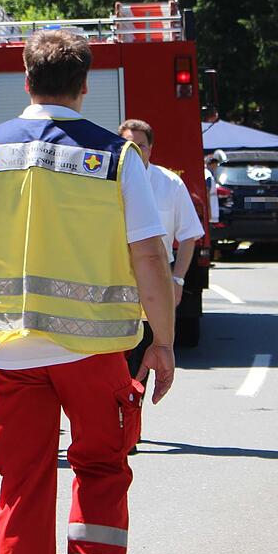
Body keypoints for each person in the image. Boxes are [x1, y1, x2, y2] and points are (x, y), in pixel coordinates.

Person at [0, 30, 175, 554]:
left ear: (26, 80)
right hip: (93, 351)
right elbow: (150, 259)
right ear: (85, 86)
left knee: (23, 481)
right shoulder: (117, 156)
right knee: (102, 469)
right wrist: (162, 341)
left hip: (9, 353)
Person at [118, 120, 204, 397]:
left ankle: (131, 424)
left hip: (155, 280)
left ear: (151, 149)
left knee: (142, 357)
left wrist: (177, 279)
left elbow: (189, 235)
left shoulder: (169, 184)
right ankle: (124, 426)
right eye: (128, 145)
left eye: (140, 146)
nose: (135, 151)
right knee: (116, 362)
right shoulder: (106, 184)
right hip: (115, 278)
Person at [204, 154, 220, 224]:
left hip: (212, 201)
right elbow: (207, 192)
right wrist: (209, 211)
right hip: (210, 202)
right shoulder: (207, 175)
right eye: (215, 164)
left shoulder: (208, 173)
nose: (216, 166)